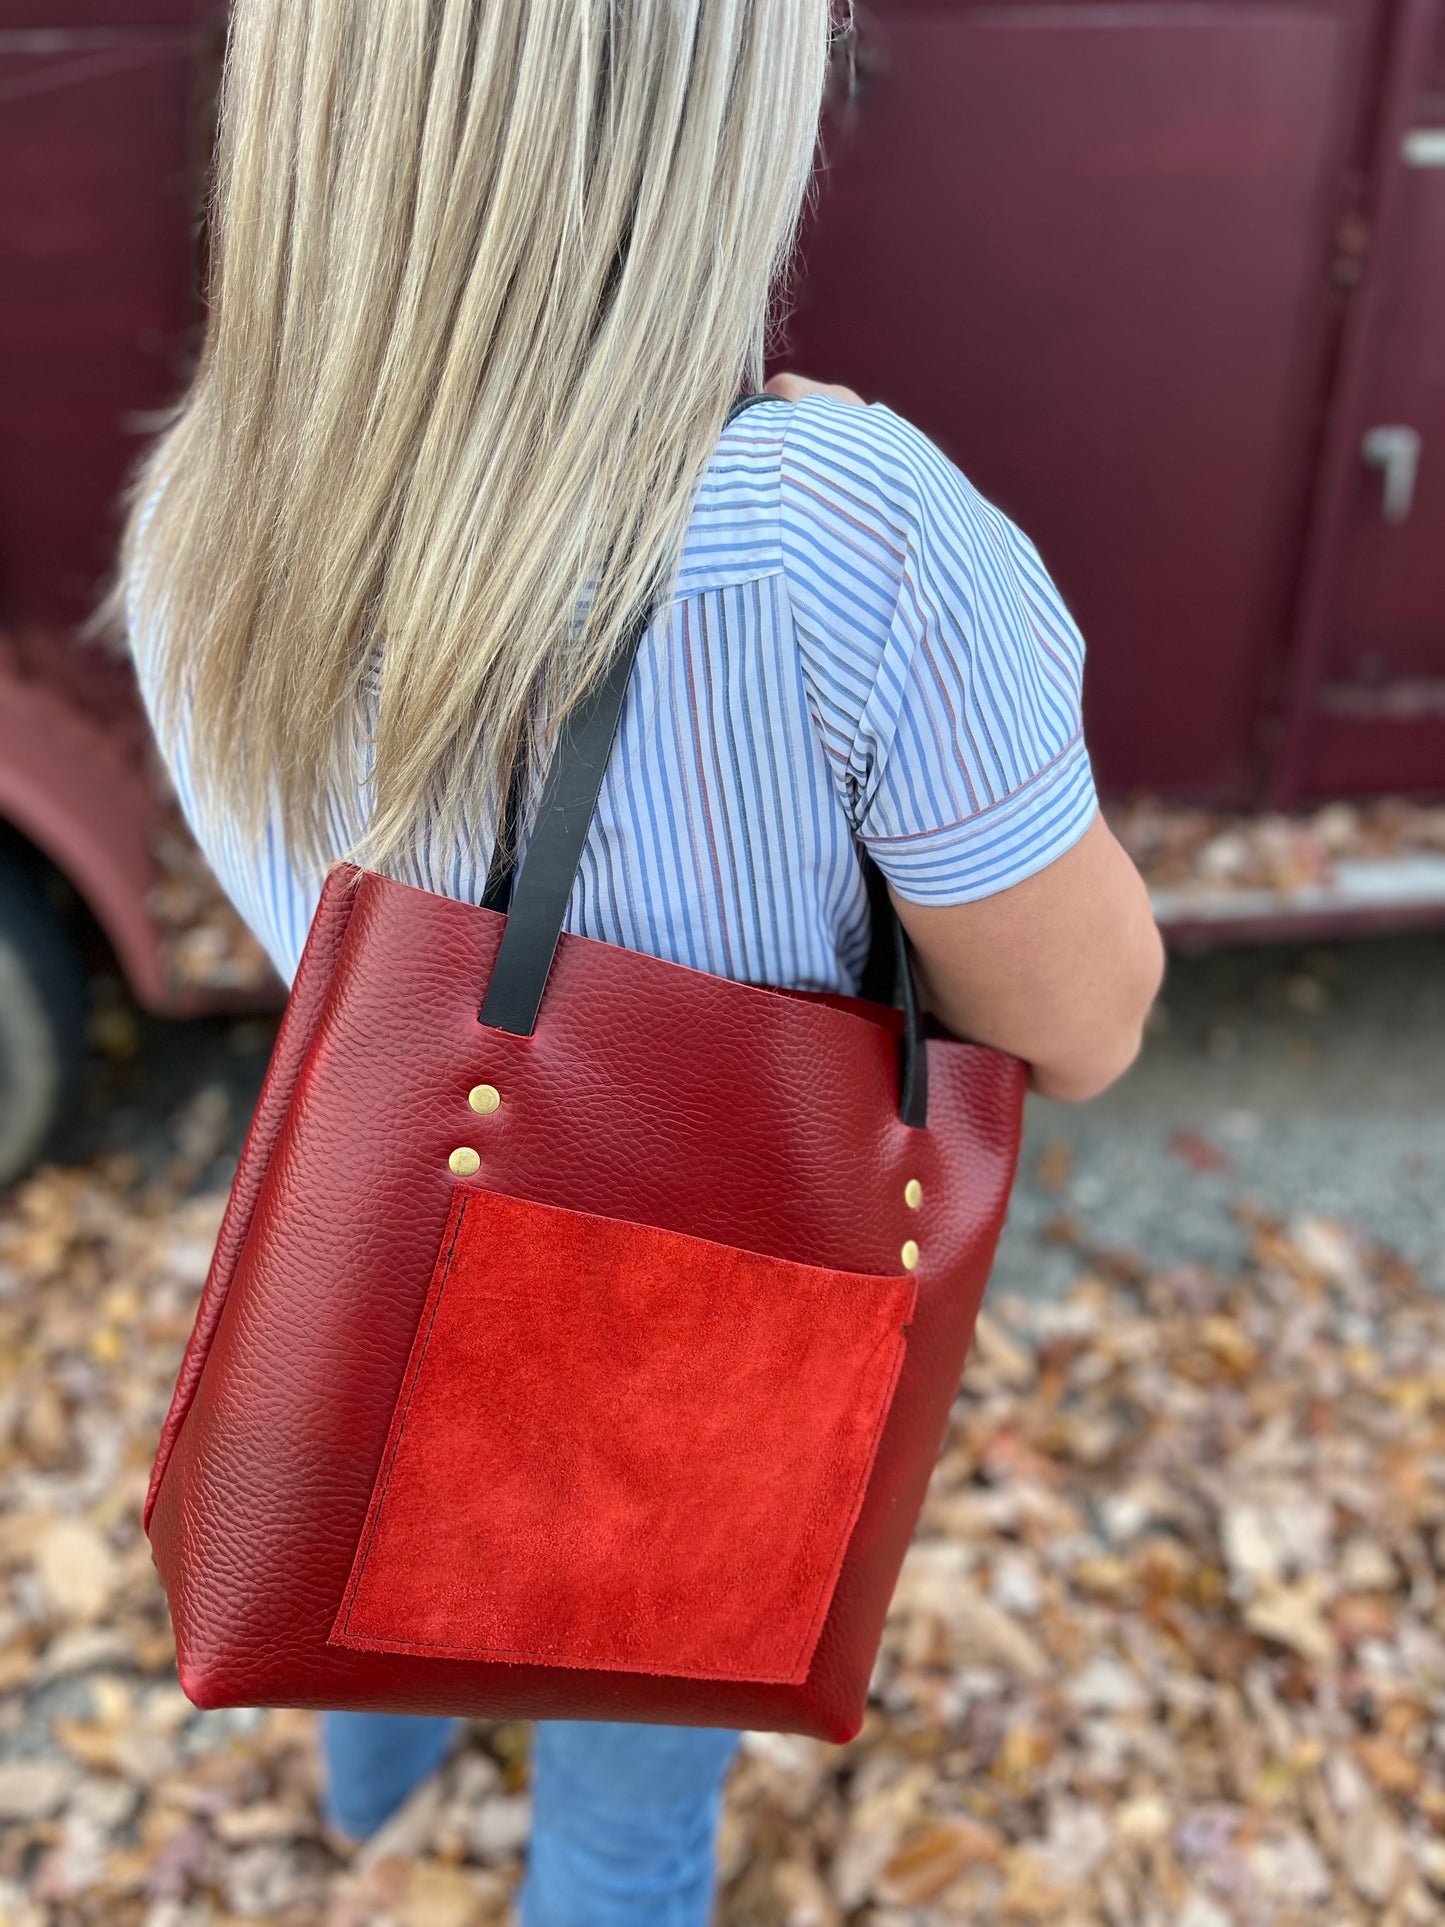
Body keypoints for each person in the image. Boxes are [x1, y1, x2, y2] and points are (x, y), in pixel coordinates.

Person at [117, 2, 1164, 1920]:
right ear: (704, 111)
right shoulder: (844, 532)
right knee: (623, 1800)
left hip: (378, 1232)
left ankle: (375, 1814)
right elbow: (1082, 1026)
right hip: (673, 1325)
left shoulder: (203, 497)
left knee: (352, 1575)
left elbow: (338, 933)